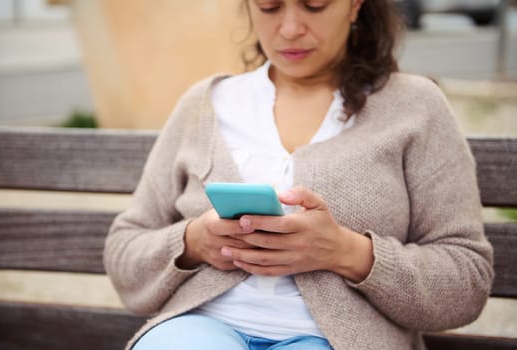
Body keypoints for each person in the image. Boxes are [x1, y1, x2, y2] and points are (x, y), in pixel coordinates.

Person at [104, 0, 494, 349]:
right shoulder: (204, 105)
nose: (290, 28)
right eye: (270, 7)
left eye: (314, 5)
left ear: (355, 5)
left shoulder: (415, 108)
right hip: (201, 329)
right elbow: (124, 252)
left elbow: (466, 282)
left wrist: (348, 253)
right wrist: (193, 242)